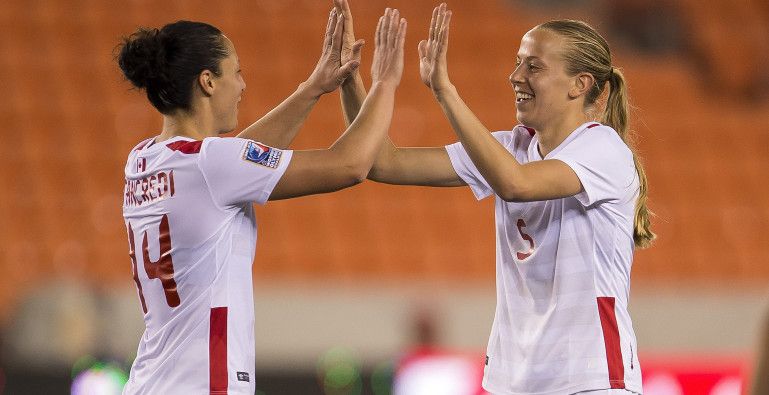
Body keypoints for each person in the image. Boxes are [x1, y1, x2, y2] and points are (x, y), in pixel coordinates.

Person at [337, 2, 653, 394]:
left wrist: (445, 91)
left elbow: (516, 183)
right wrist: (351, 80)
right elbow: (382, 162)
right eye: (518, 62)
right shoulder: (512, 147)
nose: (515, 76)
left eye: (533, 66)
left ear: (580, 84)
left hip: (591, 379)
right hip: (515, 381)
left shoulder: (603, 149)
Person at [116, 4, 407, 393]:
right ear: (208, 81)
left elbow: (237, 160)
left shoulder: (143, 159)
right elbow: (350, 164)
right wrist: (385, 83)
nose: (243, 85)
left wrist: (313, 88)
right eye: (237, 72)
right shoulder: (212, 163)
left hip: (150, 381)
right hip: (204, 384)